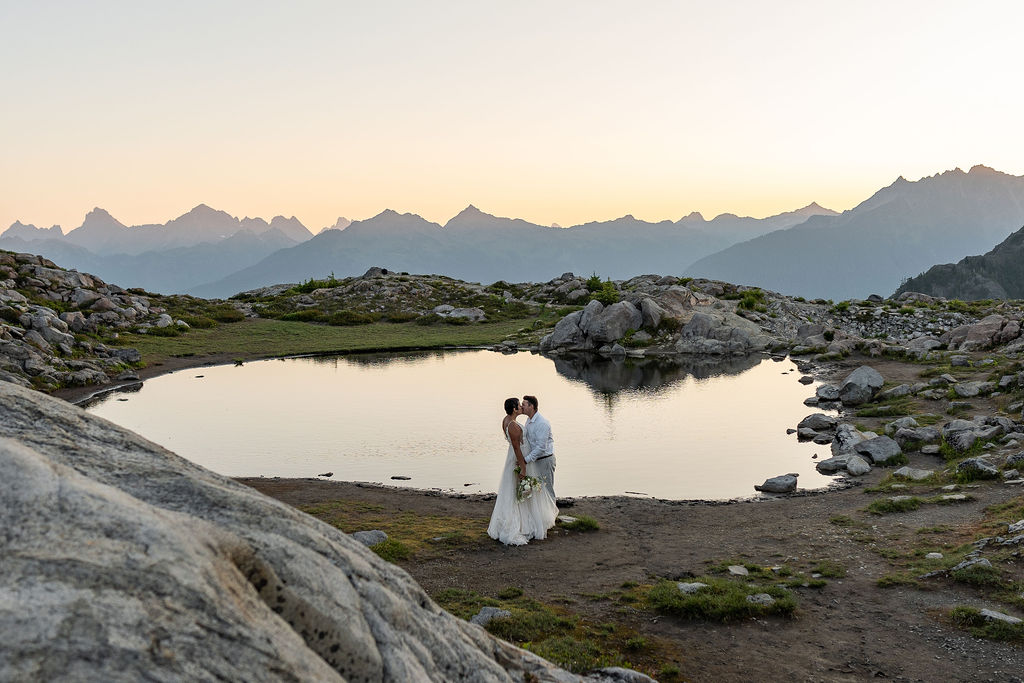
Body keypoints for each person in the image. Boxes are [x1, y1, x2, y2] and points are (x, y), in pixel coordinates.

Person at [487, 397, 558, 545]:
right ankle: (522, 524)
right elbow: (517, 447)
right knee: (522, 493)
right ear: (514, 409)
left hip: (525, 458)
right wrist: (523, 465)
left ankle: (533, 518)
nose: (521, 407)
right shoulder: (512, 425)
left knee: (521, 492)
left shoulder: (508, 420)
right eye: (519, 405)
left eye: (523, 404)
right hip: (522, 459)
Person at [521, 395, 556, 501]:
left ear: (531, 406)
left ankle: (551, 516)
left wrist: (525, 460)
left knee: (547, 489)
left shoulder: (542, 423)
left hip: (545, 460)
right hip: (536, 460)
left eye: (524, 405)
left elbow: (541, 447)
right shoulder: (529, 420)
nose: (521, 407)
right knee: (537, 490)